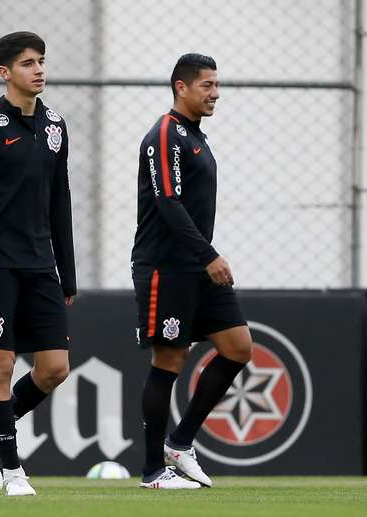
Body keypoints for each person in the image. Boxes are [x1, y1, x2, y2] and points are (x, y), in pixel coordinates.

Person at [0, 31, 76, 497]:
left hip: (41, 265)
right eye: (28, 63)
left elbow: (59, 200)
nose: (39, 70)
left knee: (54, 368)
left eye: (42, 61)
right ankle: (12, 469)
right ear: (5, 73)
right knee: (0, 367)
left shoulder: (55, 125)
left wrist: (67, 270)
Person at [131, 53, 253, 489]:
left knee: (238, 347)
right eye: (207, 85)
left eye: (217, 84)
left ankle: (180, 444)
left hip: (199, 266)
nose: (215, 93)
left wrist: (205, 259)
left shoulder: (195, 137)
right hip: (168, 267)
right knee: (170, 359)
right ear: (181, 87)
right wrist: (209, 256)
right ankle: (151, 472)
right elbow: (167, 203)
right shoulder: (164, 134)